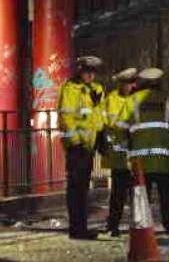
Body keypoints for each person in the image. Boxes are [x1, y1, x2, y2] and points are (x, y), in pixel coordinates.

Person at [129, 67, 169, 234]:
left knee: (141, 197)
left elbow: (124, 127)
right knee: (167, 198)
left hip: (141, 161)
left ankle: (142, 227)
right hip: (164, 160)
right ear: (159, 83)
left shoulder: (133, 101)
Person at [58, 55, 105, 240]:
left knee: (83, 189)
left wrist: (100, 136)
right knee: (76, 188)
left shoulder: (97, 89)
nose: (91, 76)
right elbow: (66, 118)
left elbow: (98, 115)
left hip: (89, 146)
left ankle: (81, 227)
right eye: (87, 72)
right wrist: (77, 141)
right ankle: (76, 229)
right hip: (77, 147)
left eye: (93, 72)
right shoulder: (70, 88)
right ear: (80, 71)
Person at [98, 67, 137, 237]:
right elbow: (104, 124)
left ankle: (138, 226)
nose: (131, 86)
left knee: (137, 194)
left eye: (132, 83)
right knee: (118, 194)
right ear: (121, 84)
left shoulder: (136, 99)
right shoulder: (111, 100)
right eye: (128, 83)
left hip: (135, 155)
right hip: (120, 156)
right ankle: (112, 225)